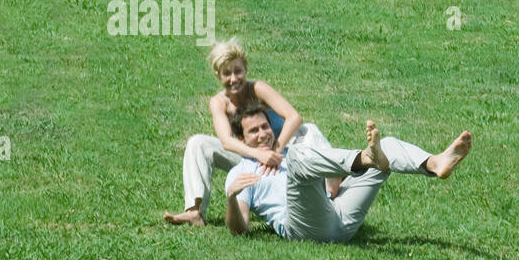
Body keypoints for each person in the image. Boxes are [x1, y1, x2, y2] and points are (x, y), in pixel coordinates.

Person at [223, 102, 472, 243]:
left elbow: (333, 187)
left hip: (339, 216)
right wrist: (232, 198)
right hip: (303, 229)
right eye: (253, 131)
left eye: (265, 126)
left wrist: (332, 178)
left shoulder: (288, 152)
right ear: (240, 138)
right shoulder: (241, 171)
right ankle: (364, 158)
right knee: (300, 154)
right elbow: (239, 230)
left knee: (386, 146)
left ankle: (433, 163)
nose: (263, 134)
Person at [163, 39, 338, 226]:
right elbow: (226, 141)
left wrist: (275, 152)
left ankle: (332, 192)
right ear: (217, 74)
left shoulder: (257, 89)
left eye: (237, 71)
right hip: (248, 159)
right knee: (198, 143)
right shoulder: (219, 102)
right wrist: (259, 155)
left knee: (310, 130)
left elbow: (294, 117)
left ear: (245, 69)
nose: (233, 78)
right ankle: (194, 211)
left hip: (283, 153)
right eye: (226, 73)